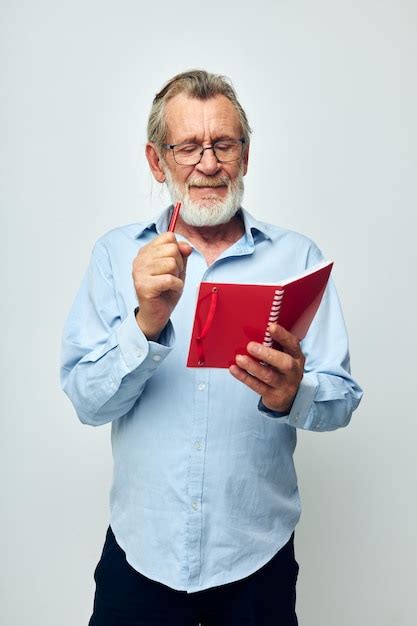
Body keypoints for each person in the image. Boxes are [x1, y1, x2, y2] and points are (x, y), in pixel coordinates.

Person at [61, 69, 362, 626]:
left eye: (223, 144)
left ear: (245, 156)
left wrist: (294, 393)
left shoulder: (298, 259)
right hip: (139, 557)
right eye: (188, 147)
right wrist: (146, 323)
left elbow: (342, 399)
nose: (207, 163)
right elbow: (87, 403)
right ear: (158, 162)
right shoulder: (115, 256)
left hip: (257, 560)